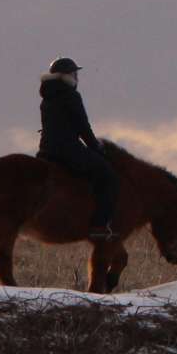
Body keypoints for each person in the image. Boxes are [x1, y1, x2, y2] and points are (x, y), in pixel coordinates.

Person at [38, 56, 120, 241]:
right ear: (68, 75)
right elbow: (83, 127)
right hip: (68, 150)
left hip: (46, 150)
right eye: (75, 73)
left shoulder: (47, 96)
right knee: (108, 176)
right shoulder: (71, 95)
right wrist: (97, 148)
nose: (77, 77)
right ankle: (99, 225)